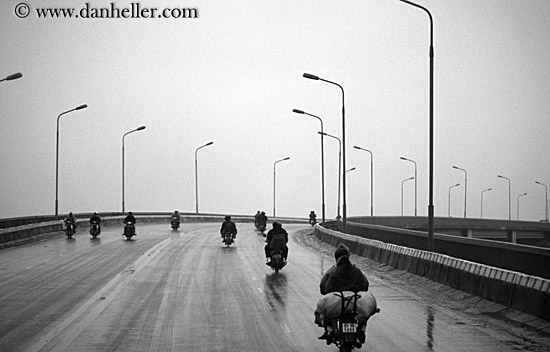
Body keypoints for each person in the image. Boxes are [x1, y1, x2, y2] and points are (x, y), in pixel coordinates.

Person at [318, 243, 370, 345]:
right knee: (364, 311)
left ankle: (329, 330)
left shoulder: (333, 272)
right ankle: (362, 328)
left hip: (338, 304)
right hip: (354, 303)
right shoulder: (356, 270)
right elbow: (365, 286)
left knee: (325, 310)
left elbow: (325, 288)